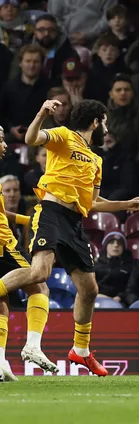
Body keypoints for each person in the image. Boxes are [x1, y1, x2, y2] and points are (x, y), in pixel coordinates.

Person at [0, 99, 139, 376]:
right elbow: (31, 139)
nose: (106, 129)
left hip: (75, 222)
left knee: (89, 289)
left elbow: (92, 202)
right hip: (51, 212)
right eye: (104, 123)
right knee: (40, 273)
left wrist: (127, 204)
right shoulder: (63, 136)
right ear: (96, 121)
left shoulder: (96, 160)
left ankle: (80, 351)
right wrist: (41, 114)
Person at [0, 126, 58, 381]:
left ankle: (0, 361)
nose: (5, 145)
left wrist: (28, 219)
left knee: (2, 301)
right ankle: (33, 345)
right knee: (39, 285)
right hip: (4, 245)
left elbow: (2, 213)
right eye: (1, 140)